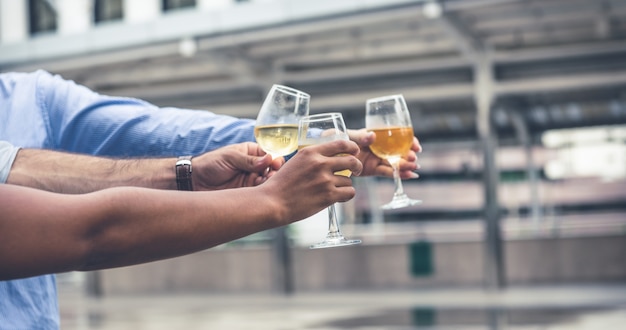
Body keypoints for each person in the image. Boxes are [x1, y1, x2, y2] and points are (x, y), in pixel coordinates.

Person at [0, 70, 421, 329]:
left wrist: (316, 142)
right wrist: (273, 202)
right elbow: (94, 233)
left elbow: (164, 131)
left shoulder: (31, 96)